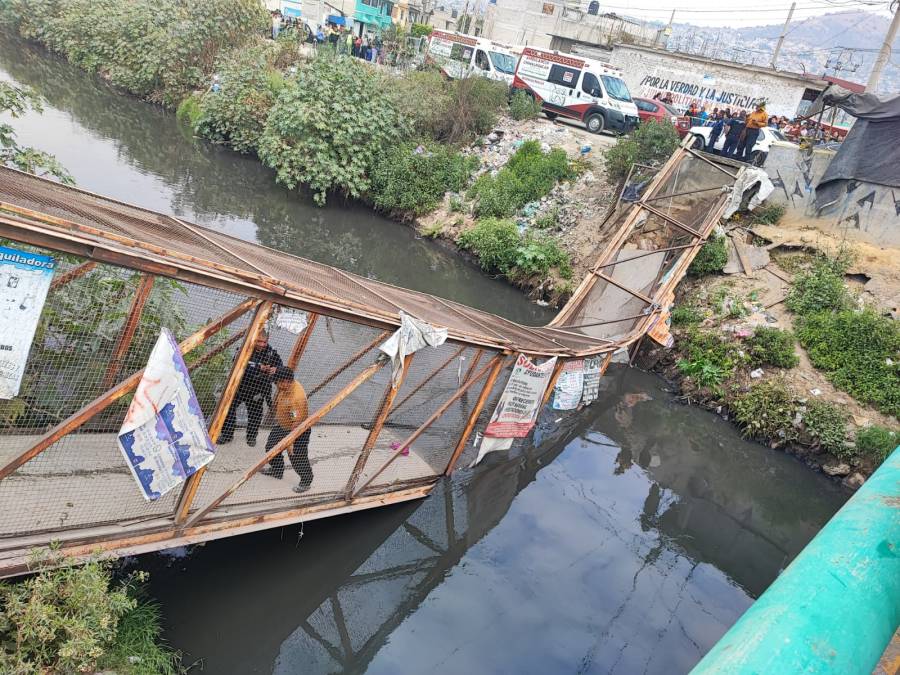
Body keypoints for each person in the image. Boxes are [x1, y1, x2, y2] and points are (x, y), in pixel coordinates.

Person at [220, 330, 283, 447]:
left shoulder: (271, 353)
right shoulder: (244, 348)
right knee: (228, 409)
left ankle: (251, 436)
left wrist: (275, 370)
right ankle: (227, 435)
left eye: (264, 342)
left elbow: (280, 366)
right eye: (259, 341)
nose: (261, 344)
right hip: (240, 387)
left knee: (255, 414)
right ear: (254, 339)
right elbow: (238, 363)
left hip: (258, 389)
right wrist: (259, 367)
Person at [260, 367, 314, 493]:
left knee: (297, 457)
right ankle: (277, 470)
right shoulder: (286, 385)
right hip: (283, 425)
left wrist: (290, 442)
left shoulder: (296, 399)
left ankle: (306, 481)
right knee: (271, 448)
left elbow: (296, 421)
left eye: (277, 382)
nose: (276, 385)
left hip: (297, 430)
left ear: (285, 382)